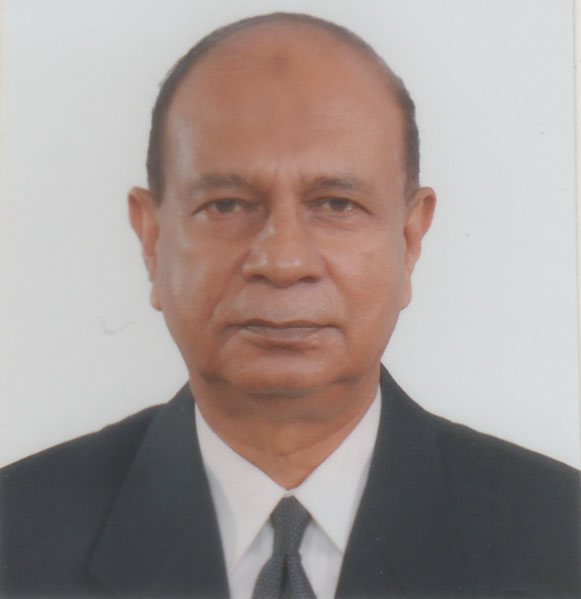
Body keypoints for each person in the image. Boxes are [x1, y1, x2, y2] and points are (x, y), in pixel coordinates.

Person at [1, 12, 579, 599]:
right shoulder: (16, 533)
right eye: (226, 205)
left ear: (409, 240)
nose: (282, 262)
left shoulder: (560, 535)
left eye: (336, 204)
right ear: (151, 239)